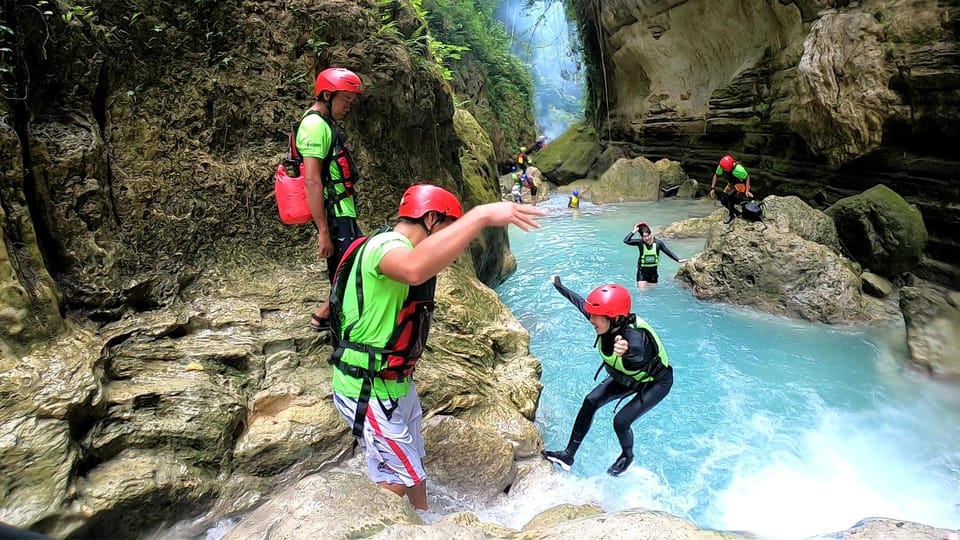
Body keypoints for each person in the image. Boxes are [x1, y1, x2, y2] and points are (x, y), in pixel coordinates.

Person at [328, 184, 544, 510]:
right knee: (400, 474)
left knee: (412, 463)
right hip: (366, 387)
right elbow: (413, 268)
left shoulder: (393, 245)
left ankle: (423, 521)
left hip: (394, 383)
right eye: (449, 229)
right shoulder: (386, 246)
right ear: (430, 218)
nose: (454, 247)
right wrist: (481, 215)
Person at [543, 277, 673, 477]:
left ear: (614, 318)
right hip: (628, 377)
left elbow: (638, 353)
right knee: (590, 401)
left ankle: (627, 456)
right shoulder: (606, 321)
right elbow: (579, 303)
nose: (591, 319)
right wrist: (559, 285)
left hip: (656, 382)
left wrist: (627, 351)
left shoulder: (635, 337)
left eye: (596, 316)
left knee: (621, 422)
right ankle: (568, 456)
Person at [298, 67, 365, 331]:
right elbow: (312, 181)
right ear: (327, 94)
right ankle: (336, 328)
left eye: (351, 100)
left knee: (352, 262)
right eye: (345, 99)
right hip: (335, 213)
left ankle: (326, 314)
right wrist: (323, 230)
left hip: (342, 210)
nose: (349, 106)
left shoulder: (324, 124)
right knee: (345, 270)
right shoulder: (315, 126)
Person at [623, 222, 688, 289]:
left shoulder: (658, 243)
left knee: (652, 293)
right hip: (642, 273)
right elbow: (626, 240)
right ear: (642, 237)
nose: (647, 238)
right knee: (642, 295)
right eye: (644, 236)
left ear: (651, 234)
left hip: (653, 274)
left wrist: (678, 260)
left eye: (648, 235)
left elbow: (668, 252)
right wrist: (634, 231)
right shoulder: (640, 243)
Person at [709, 154, 753, 224]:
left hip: (742, 184)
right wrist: (712, 188)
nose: (722, 169)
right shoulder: (722, 166)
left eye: (724, 169)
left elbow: (747, 177)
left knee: (729, 195)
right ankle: (737, 213)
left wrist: (747, 191)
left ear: (730, 167)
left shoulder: (739, 170)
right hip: (732, 183)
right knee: (723, 200)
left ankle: (731, 215)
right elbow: (716, 175)